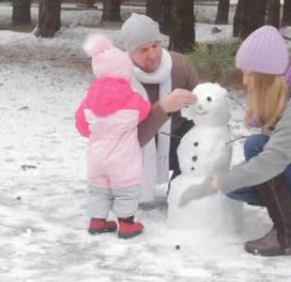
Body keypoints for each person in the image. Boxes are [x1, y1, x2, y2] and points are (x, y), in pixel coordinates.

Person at [180, 25, 291, 256]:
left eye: (250, 74)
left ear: (267, 76)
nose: (246, 81)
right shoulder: (284, 93)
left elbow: (271, 161)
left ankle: (286, 234)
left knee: (256, 158)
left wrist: (219, 182)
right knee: (244, 171)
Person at [75, 34, 151, 239]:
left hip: (96, 155)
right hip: (123, 155)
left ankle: (97, 221)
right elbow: (144, 111)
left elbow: (82, 127)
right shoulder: (131, 95)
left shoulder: (89, 97)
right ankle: (126, 224)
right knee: (126, 188)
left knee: (99, 189)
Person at [120, 13, 199, 202]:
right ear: (129, 53)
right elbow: (126, 139)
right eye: (143, 50)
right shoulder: (120, 78)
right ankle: (126, 189)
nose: (153, 55)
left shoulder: (180, 65)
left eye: (155, 45)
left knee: (202, 134)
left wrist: (197, 103)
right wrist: (162, 108)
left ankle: (180, 189)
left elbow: (206, 110)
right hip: (135, 148)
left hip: (174, 141)